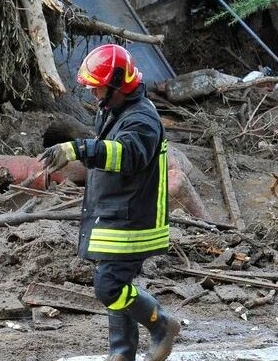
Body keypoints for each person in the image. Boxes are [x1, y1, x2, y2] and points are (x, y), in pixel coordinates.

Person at [39, 44, 181, 361]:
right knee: (116, 281)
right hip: (117, 214)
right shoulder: (117, 109)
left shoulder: (142, 120)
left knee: (109, 286)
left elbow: (126, 155)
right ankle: (122, 352)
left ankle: (161, 323)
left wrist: (78, 149)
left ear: (117, 84)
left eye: (97, 86)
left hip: (133, 221)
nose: (92, 92)